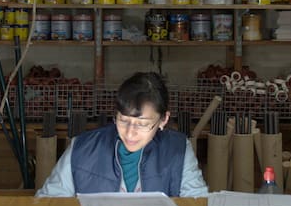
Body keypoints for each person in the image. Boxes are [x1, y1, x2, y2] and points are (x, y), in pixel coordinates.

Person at [36, 71, 208, 197]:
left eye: (142, 124)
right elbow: (49, 203)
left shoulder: (178, 150)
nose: (130, 133)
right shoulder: (82, 147)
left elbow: (196, 204)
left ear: (163, 120)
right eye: (123, 120)